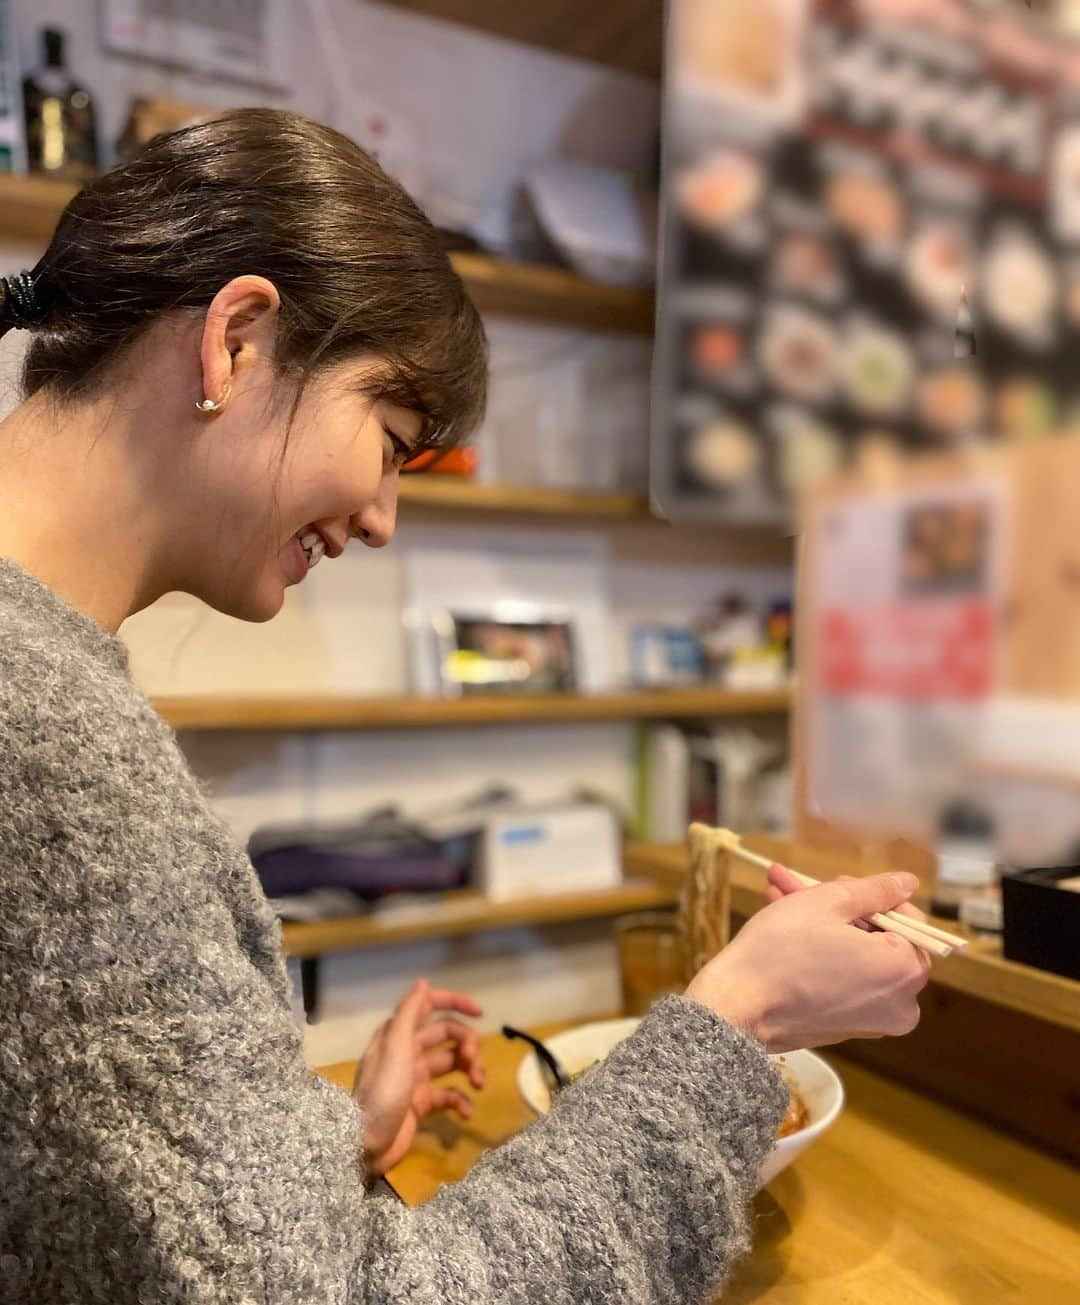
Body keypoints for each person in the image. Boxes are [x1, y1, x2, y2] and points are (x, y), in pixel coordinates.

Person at [0, 108, 930, 1303]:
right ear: (235, 340)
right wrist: (739, 1014)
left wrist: (306, 1136)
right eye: (390, 440)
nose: (384, 517)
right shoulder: (53, 749)